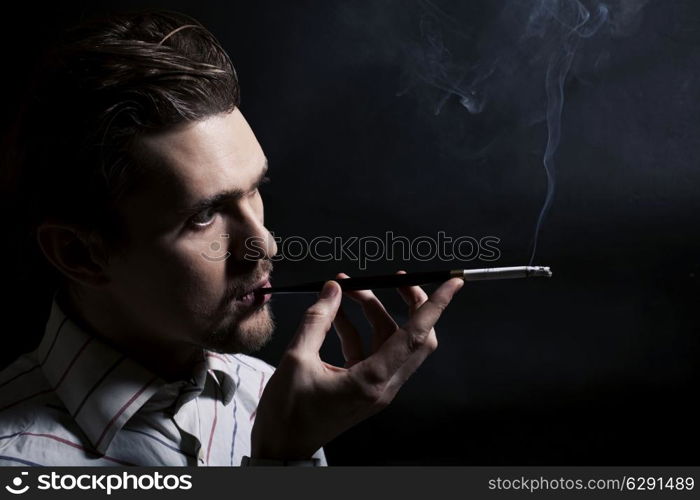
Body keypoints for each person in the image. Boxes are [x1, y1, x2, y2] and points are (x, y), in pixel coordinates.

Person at [0, 9, 463, 466]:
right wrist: (281, 463)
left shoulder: (274, 397)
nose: (265, 244)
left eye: (255, 190)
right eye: (204, 215)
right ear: (80, 253)